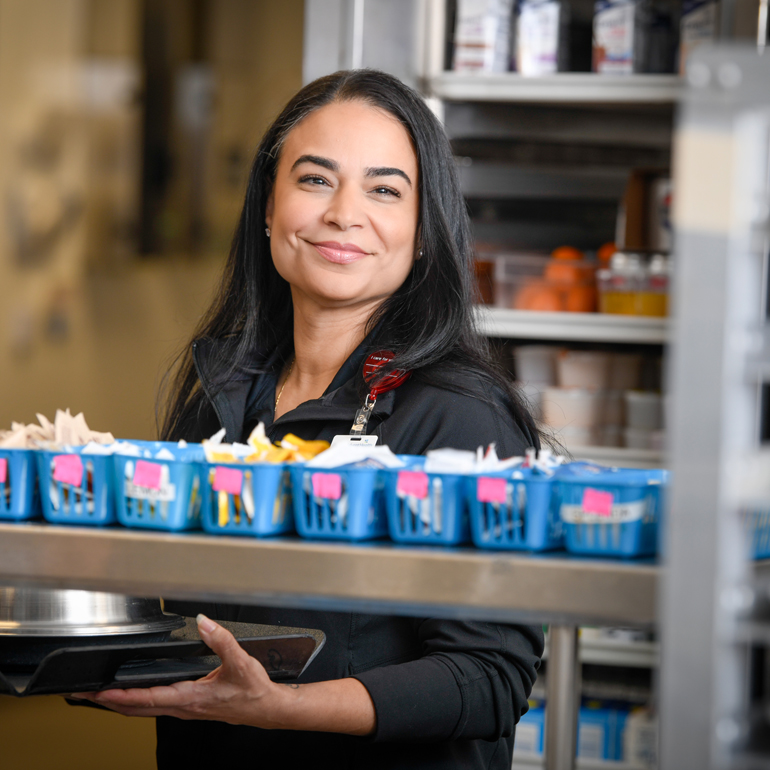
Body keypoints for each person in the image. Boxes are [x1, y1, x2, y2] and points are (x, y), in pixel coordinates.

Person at [73, 69, 544, 770]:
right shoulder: (223, 394)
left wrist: (280, 709)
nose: (343, 213)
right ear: (269, 206)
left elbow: (488, 679)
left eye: (384, 189)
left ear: (423, 232)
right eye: (316, 180)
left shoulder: (459, 418)